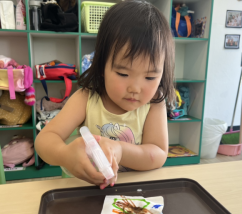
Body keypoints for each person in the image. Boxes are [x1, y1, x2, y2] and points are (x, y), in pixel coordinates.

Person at [35, 0, 175, 189]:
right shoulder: (86, 98)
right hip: (81, 192)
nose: (135, 88)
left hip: (129, 193)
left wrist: (120, 149)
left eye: (150, 77)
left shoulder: (154, 103)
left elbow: (158, 154)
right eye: (123, 74)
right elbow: (44, 140)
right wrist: (65, 155)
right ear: (101, 66)